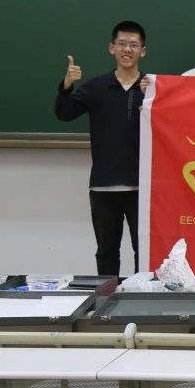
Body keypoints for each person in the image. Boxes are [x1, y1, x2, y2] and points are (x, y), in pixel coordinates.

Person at [55, 20, 150, 277]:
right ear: (111, 48)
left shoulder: (152, 87)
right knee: (106, 250)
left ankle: (141, 294)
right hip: (103, 185)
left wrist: (154, 98)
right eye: (122, 44)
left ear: (143, 51)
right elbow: (64, 113)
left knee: (144, 250)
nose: (127, 49)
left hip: (142, 186)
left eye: (133, 45)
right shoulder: (96, 87)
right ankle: (106, 296)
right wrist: (67, 84)